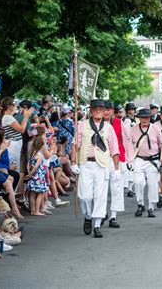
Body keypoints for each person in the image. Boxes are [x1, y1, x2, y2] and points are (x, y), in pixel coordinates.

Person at [70, 99, 120, 238]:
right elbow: (75, 145)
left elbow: (114, 149)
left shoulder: (109, 128)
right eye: (95, 108)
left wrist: (116, 169)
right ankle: (87, 216)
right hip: (85, 164)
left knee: (100, 196)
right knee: (85, 196)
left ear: (105, 111)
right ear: (91, 111)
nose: (98, 111)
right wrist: (73, 162)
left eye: (101, 109)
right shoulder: (82, 125)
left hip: (102, 165)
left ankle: (97, 225)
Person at [102, 101, 134, 228]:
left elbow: (127, 141)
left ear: (112, 112)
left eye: (109, 110)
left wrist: (129, 159)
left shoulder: (118, 123)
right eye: (104, 109)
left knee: (117, 189)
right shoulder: (95, 124)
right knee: (101, 189)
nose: (106, 112)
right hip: (102, 159)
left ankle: (113, 216)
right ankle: (102, 212)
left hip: (117, 159)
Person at [131, 108, 162, 218]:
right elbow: (130, 146)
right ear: (139, 118)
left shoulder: (156, 129)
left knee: (152, 184)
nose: (144, 119)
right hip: (139, 159)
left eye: (147, 117)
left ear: (150, 118)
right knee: (138, 182)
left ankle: (151, 207)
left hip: (153, 160)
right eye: (142, 117)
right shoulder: (133, 130)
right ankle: (140, 204)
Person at [25, 135, 49, 216]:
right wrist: (31, 173)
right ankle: (36, 211)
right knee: (40, 193)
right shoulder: (40, 155)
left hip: (33, 175)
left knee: (32, 193)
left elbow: (28, 164)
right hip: (38, 175)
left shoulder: (33, 154)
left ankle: (32, 210)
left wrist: (29, 173)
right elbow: (36, 166)